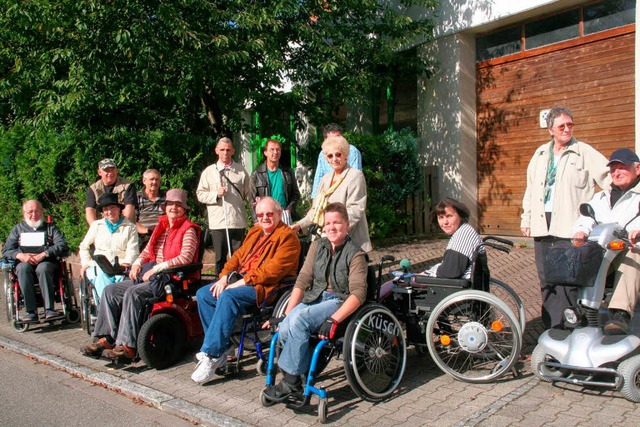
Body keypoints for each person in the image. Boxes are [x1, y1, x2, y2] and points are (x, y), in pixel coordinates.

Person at [262, 202, 368, 402]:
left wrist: (334, 320)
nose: (332, 227)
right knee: (285, 327)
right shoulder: (317, 246)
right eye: (328, 223)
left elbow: (358, 294)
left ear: (347, 224)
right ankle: (300, 372)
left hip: (338, 300)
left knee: (300, 320)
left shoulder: (356, 254)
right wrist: (285, 314)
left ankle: (291, 383)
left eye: (337, 222)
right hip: (314, 297)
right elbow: (303, 280)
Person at [80, 189, 200, 360]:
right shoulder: (162, 227)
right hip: (153, 276)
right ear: (165, 207)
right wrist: (137, 263)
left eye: (178, 205)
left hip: (172, 279)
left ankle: (127, 345)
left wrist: (157, 269)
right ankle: (106, 338)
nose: (174, 208)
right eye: (170, 204)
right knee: (110, 291)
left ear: (184, 209)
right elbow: (146, 251)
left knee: (133, 293)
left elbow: (186, 257)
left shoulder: (189, 230)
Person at [191, 197, 301, 384]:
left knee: (227, 296)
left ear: (279, 214)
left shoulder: (288, 238)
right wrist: (225, 275)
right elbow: (238, 256)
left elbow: (271, 272)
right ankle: (222, 347)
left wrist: (238, 283)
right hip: (241, 280)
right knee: (204, 294)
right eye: (260, 215)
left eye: (269, 214)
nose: (264, 218)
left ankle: (211, 354)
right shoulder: (255, 231)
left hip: (265, 288)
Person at [520, 106, 610, 330]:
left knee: (569, 281)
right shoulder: (540, 154)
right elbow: (531, 190)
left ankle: (573, 331)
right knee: (547, 281)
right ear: (550, 129)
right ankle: (553, 330)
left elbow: (609, 179)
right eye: (561, 126)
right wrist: (526, 218)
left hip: (570, 228)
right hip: (543, 226)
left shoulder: (583, 152)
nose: (567, 129)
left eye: (570, 124)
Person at [571, 148, 640, 335]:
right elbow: (586, 218)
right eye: (613, 169)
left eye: (622, 168)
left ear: (638, 169)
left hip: (632, 251)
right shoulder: (600, 197)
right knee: (580, 257)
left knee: (632, 254)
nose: (616, 173)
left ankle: (620, 315)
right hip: (604, 252)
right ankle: (584, 313)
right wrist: (580, 231)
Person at [292, 135, 372, 252]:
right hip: (326, 240)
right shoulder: (325, 179)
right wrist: (300, 225)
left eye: (338, 154)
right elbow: (316, 211)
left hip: (350, 242)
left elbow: (355, 210)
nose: (334, 159)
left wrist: (332, 228)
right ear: (326, 159)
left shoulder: (355, 176)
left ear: (346, 156)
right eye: (330, 155)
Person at [2, 200, 69, 321]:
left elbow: (61, 244)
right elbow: (7, 250)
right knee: (22, 268)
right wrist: (20, 256)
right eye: (30, 212)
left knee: (43, 268)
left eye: (37, 211)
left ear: (41, 212)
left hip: (46, 262)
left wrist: (44, 254)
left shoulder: (50, 228)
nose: (34, 214)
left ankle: (49, 309)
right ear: (24, 213)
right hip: (24, 263)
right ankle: (31, 311)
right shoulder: (18, 229)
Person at [197, 137, 251, 275]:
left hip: (237, 222)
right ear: (216, 151)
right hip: (218, 223)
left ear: (233, 151)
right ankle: (217, 284)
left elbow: (249, 194)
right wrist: (216, 194)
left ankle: (236, 283)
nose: (225, 152)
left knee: (238, 258)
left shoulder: (240, 171)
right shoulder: (209, 172)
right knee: (220, 258)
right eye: (222, 150)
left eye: (228, 150)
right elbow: (200, 194)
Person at [79, 193, 139, 305]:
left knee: (123, 283)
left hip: (121, 267)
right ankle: (107, 309)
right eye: (106, 209)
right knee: (101, 277)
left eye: (112, 208)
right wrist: (86, 263)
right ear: (102, 211)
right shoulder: (96, 225)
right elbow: (84, 246)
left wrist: (126, 263)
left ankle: (117, 309)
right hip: (100, 265)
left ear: (119, 209)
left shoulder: (130, 227)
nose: (110, 212)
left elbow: (133, 250)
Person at [421, 198, 482, 279]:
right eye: (441, 217)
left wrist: (421, 278)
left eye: (449, 216)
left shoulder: (462, 236)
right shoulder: (464, 230)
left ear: (460, 215)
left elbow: (451, 272)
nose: (445, 222)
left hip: (457, 286)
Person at [250, 139, 301, 225]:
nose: (275, 152)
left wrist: (289, 210)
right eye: (272, 149)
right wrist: (256, 221)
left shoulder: (287, 172)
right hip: (266, 216)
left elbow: (296, 194)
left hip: (284, 214)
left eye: (278, 149)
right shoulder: (257, 174)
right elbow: (251, 200)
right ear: (265, 152)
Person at [310, 123, 362, 199]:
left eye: (338, 137)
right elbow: (319, 177)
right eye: (332, 139)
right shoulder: (322, 154)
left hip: (345, 195)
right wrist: (315, 202)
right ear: (325, 141)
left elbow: (355, 179)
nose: (336, 141)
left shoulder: (352, 151)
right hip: (327, 196)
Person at [85, 158, 137, 226]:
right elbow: (90, 212)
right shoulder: (93, 189)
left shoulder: (128, 186)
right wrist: (95, 229)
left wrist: (118, 228)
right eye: (107, 170)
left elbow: (129, 210)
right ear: (99, 172)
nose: (110, 173)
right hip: (102, 229)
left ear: (117, 170)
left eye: (112, 170)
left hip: (124, 227)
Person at [136, 169, 166, 250]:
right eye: (152, 179)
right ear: (144, 181)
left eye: (157, 180)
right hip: (144, 235)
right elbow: (132, 221)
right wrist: (147, 230)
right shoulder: (137, 197)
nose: (154, 182)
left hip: (164, 233)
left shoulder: (166, 197)